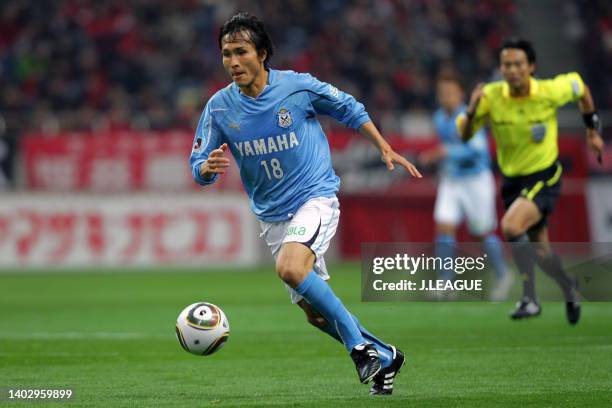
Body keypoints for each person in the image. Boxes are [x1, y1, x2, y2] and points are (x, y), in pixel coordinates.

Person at [189, 12, 422, 395]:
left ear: (262, 53)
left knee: (289, 267)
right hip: (273, 217)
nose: (232, 61)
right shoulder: (219, 107)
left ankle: (360, 349)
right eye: (226, 53)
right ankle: (384, 353)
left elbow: (348, 106)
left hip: (314, 198)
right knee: (314, 314)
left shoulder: (296, 88)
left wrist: (383, 146)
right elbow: (197, 164)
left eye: (241, 51)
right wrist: (207, 169)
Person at [458, 37, 605, 324]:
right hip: (512, 181)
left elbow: (581, 88)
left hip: (544, 176)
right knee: (541, 252)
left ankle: (529, 298)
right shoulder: (490, 96)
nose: (512, 70)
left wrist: (592, 130)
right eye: (506, 65)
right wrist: (473, 108)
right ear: (500, 68)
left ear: (531, 66)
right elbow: (464, 135)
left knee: (511, 226)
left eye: (518, 64)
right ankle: (569, 286)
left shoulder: (549, 91)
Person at [419, 70, 512, 301]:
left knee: (482, 233)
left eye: (450, 92)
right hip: (452, 180)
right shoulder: (439, 118)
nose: (445, 97)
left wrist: (444, 152)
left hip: (476, 180)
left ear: (461, 94)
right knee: (444, 226)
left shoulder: (470, 117)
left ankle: (502, 275)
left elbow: (479, 149)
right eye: (442, 93)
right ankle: (445, 282)